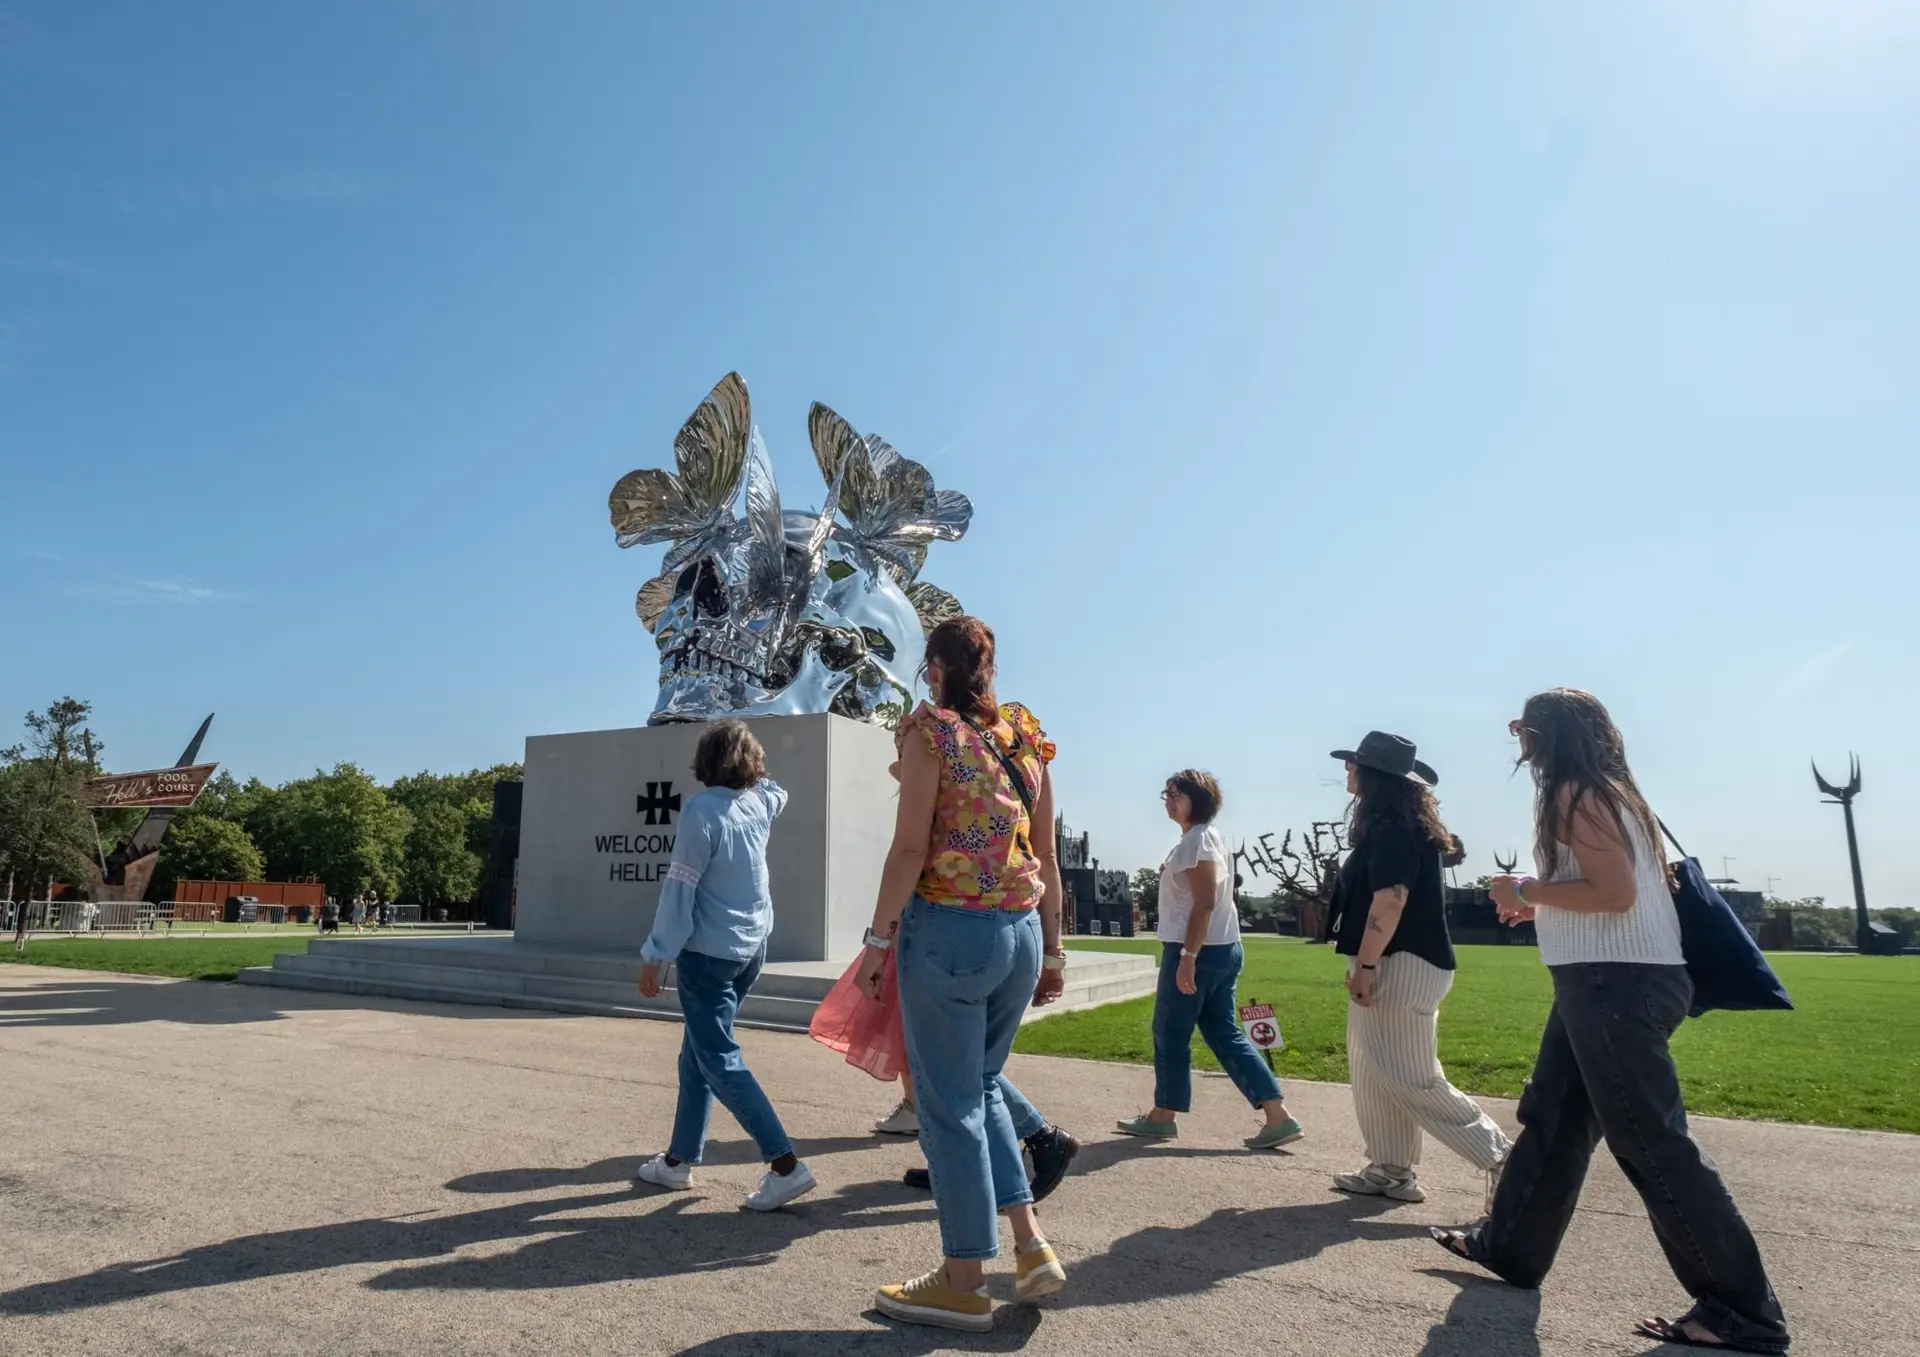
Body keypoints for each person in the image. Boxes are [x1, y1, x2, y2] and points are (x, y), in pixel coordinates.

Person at [1432, 690, 1790, 1355]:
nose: (1516, 739)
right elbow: (1615, 894)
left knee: (1651, 1140)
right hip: (1602, 975)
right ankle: (1509, 1245)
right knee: (1555, 1112)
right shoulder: (1609, 791)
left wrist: (1526, 891)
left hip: (1616, 980)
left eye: (1519, 726)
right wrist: (1537, 905)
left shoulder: (1577, 792)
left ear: (1545, 732)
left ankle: (1744, 1309)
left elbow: (1617, 893)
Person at [854, 616, 1070, 1331]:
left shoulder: (932, 733)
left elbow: (910, 845)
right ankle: (1030, 1244)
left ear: (936, 669)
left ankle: (963, 1278)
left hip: (950, 933)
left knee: (949, 1109)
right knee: (981, 1088)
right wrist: (1056, 950)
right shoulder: (1025, 737)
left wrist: (878, 941)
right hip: (1020, 937)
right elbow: (1046, 853)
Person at [632, 719, 816, 1213]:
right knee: (697, 1055)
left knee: (719, 1059)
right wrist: (753, 768)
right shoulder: (759, 804)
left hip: (708, 955)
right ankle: (677, 1161)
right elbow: (775, 789)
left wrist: (656, 954)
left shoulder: (700, 812)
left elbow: (680, 888)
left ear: (704, 762)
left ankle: (785, 1166)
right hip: (750, 951)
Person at [1325, 731, 1511, 1206]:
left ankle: (1505, 1160)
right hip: (1394, 959)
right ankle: (1391, 1170)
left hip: (1399, 962)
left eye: (1354, 764)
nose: (1348, 770)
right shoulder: (1396, 825)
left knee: (1410, 1075)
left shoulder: (1391, 829)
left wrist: (1366, 964)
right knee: (1373, 1069)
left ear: (1373, 775)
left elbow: (1391, 900)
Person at [1116, 770, 1303, 1149]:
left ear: (1196, 799)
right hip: (1223, 947)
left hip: (1198, 949)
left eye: (1175, 794)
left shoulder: (1198, 841)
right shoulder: (1205, 838)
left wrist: (1188, 956)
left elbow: (1204, 902)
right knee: (1222, 1031)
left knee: (1169, 1030)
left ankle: (1163, 1116)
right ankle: (1277, 1115)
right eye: (1166, 793)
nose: (1168, 800)